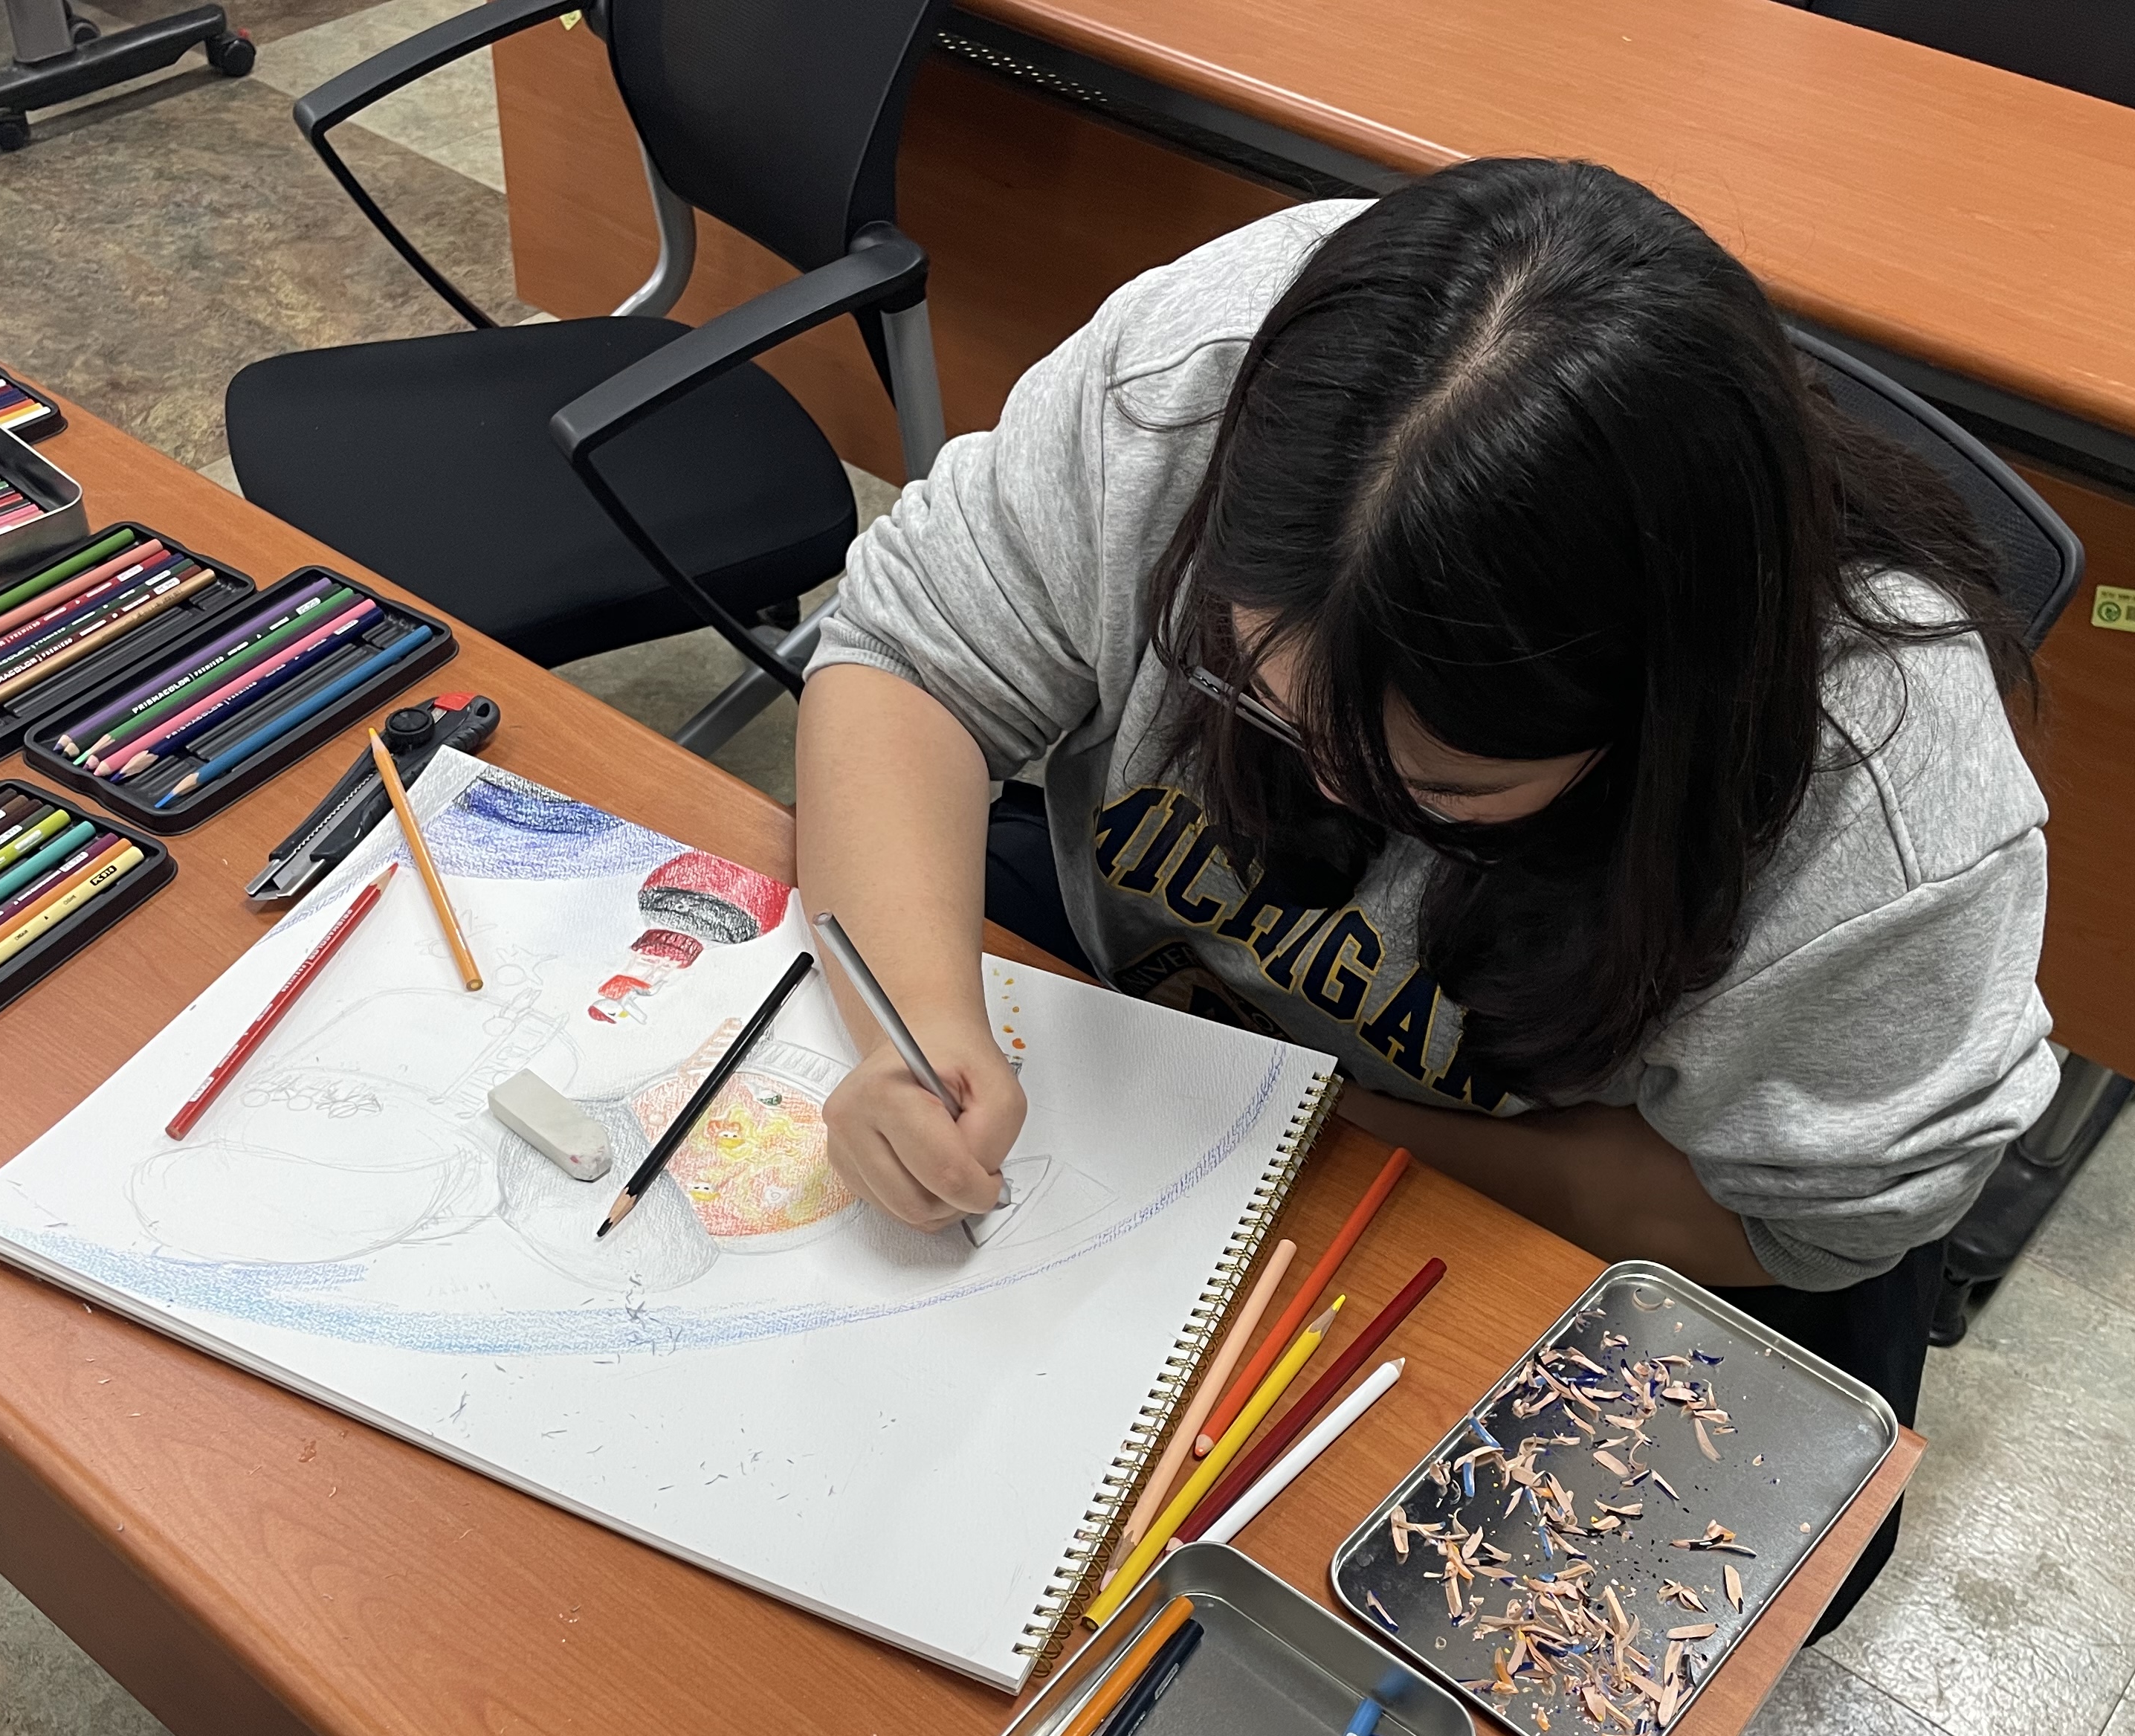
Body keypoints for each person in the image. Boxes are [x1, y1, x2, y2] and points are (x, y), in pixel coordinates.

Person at [796, 159, 2057, 1622]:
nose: (1333, 793)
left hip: (1544, 1220)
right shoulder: (1204, 385)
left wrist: (1292, 1132)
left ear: (1660, 715)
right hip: (1208, 1083)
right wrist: (916, 1027)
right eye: (1260, 700)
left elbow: (1797, 1228)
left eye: (1442, 792)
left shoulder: (1885, 815)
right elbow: (910, 659)